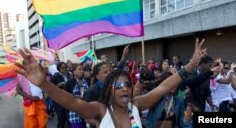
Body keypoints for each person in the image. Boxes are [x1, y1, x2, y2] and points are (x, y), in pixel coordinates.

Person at [16, 39, 206, 128]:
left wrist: (190, 64)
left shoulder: (136, 105)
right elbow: (73, 103)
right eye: (118, 86)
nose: (124, 88)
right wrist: (43, 84)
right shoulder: (100, 110)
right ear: (109, 90)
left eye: (127, 85)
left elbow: (164, 86)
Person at [16, 63, 49, 128]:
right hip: (30, 104)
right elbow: (18, 90)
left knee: (42, 122)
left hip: (40, 102)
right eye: (26, 65)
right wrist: (30, 97)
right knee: (31, 124)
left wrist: (45, 94)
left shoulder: (39, 75)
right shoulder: (23, 77)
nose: (28, 67)